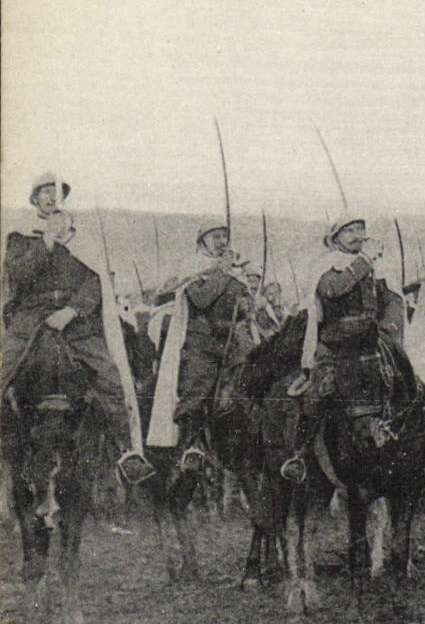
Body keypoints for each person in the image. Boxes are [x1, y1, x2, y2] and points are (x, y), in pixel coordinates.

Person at [1, 174, 151, 481]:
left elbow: (95, 281)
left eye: (55, 192)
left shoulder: (81, 240)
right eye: (44, 192)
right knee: (3, 370)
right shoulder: (20, 238)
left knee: (110, 377)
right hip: (31, 319)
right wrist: (47, 240)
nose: (50, 197)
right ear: (35, 199)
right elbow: (19, 274)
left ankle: (127, 451)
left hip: (75, 322)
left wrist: (72, 311)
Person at [281, 215, 407, 480]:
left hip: (371, 341)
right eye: (349, 231)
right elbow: (332, 290)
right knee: (317, 393)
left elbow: (393, 299)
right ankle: (299, 454)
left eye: (360, 229)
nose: (357, 235)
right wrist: (365, 260)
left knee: (406, 384)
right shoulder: (328, 265)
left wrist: (390, 326)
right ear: (335, 238)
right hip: (336, 343)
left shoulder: (372, 266)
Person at [147, 222, 256, 463]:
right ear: (203, 241)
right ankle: (191, 445)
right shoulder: (193, 266)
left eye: (225, 236)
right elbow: (201, 299)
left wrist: (247, 302)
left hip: (232, 344)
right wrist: (222, 271)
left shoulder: (233, 272)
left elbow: (244, 308)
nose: (222, 241)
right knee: (197, 387)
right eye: (216, 237)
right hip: (200, 343)